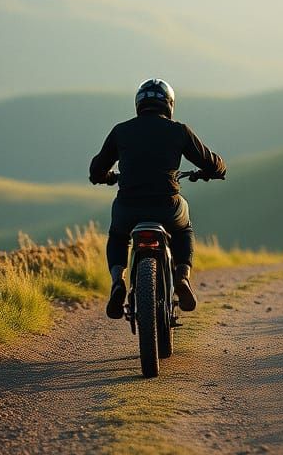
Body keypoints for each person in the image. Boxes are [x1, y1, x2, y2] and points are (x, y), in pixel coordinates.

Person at [89, 78, 226, 319]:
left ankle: (118, 282)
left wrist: (106, 176)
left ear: (138, 104)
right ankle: (182, 276)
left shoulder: (121, 130)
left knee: (118, 235)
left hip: (128, 208)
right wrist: (214, 171)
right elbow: (210, 162)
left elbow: (96, 169)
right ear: (169, 105)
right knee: (184, 229)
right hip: (167, 207)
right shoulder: (179, 131)